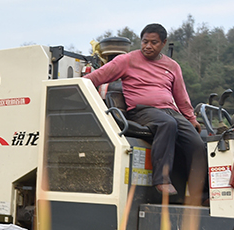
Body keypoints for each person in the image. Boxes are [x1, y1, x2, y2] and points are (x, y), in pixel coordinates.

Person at [83, 23, 206, 201]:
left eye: (154, 42)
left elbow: (181, 96)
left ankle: (200, 195)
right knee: (167, 124)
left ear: (163, 43)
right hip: (142, 111)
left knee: (196, 143)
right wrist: (73, 87)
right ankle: (161, 180)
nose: (148, 46)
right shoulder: (127, 60)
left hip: (171, 110)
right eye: (145, 41)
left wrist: (191, 119)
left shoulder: (172, 66)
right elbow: (96, 77)